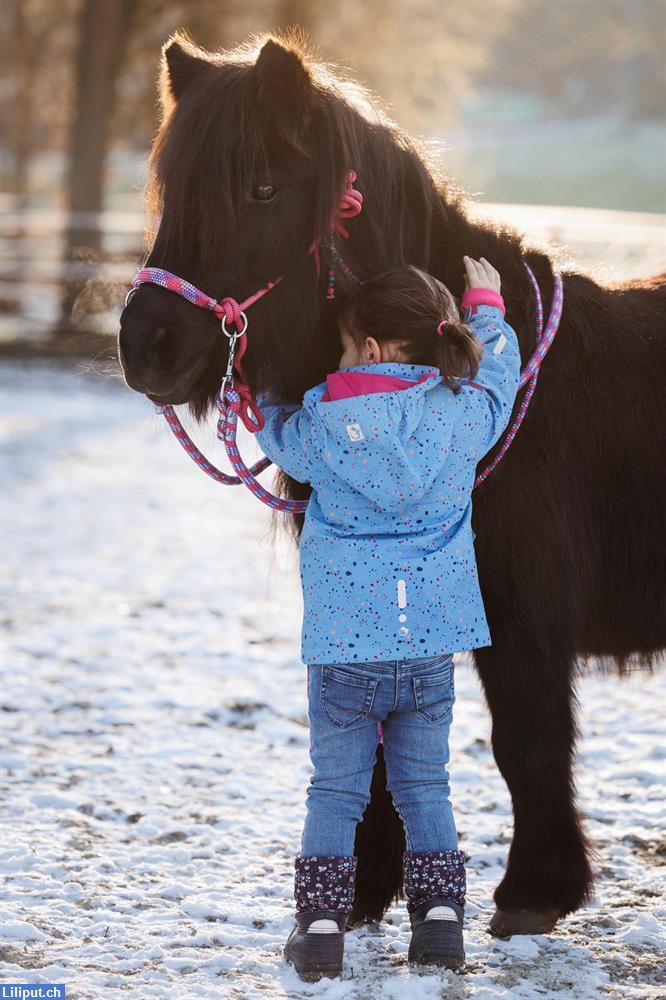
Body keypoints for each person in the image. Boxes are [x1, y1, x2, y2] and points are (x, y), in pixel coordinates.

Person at [254, 257, 520, 981]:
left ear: (369, 350)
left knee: (336, 790)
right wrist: (487, 307)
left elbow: (274, 430)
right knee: (425, 786)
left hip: (345, 649)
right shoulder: (465, 416)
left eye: (345, 346)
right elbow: (501, 376)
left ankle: (318, 929)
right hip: (430, 645)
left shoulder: (322, 425)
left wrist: (266, 379)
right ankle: (439, 924)